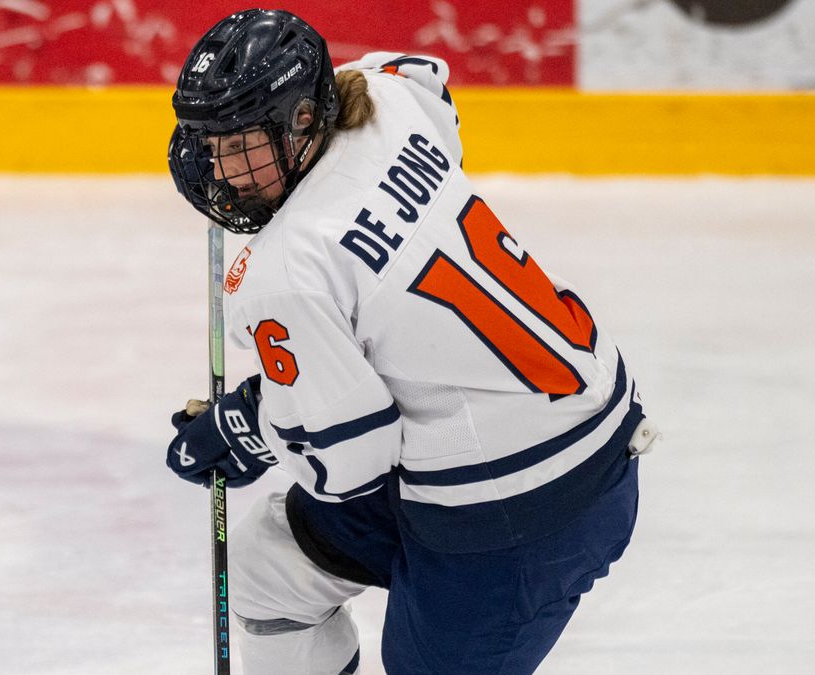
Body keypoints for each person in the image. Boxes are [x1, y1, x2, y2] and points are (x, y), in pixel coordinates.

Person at [164, 9, 660, 675]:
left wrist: (252, 426)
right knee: (269, 565)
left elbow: (351, 456)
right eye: (213, 140)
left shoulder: (286, 271)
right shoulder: (385, 101)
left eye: (243, 142)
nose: (222, 168)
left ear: (304, 121)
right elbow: (427, 81)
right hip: (576, 419)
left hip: (524, 511)